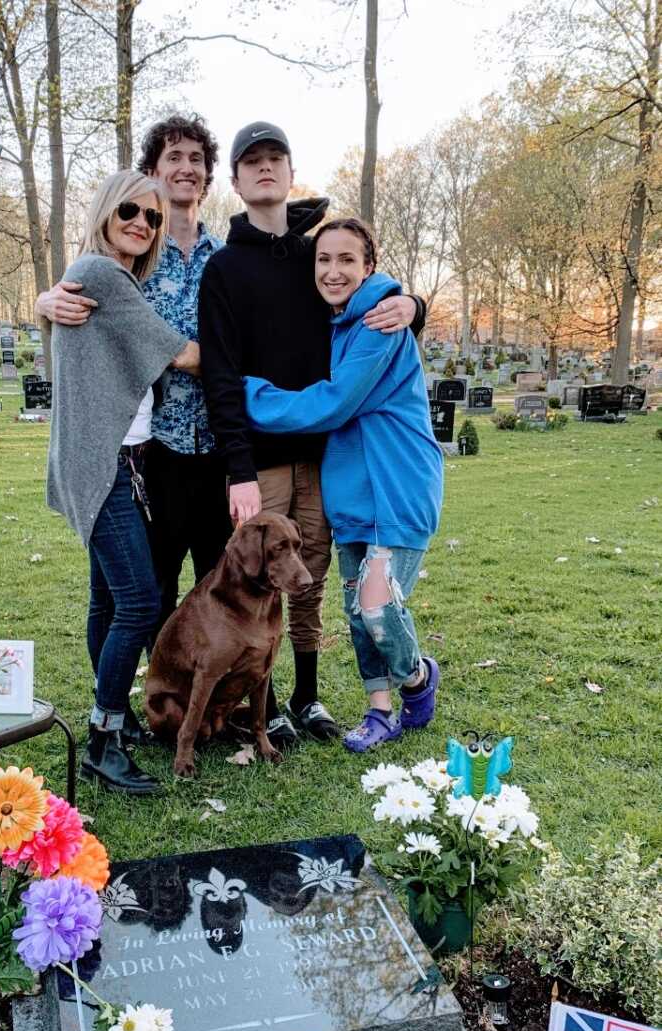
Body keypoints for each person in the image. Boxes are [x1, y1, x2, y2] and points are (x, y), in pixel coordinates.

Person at [198, 121, 426, 747]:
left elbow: (367, 298)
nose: (265, 169)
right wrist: (239, 467)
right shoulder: (223, 269)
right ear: (238, 180)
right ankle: (260, 704)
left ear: (291, 173)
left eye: (276, 159)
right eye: (252, 162)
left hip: (322, 458)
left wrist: (415, 306)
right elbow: (221, 374)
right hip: (262, 460)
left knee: (309, 579)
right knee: (257, 576)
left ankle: (307, 694)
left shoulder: (314, 256)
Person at [244, 217, 443, 751]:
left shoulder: (379, 322)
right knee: (357, 612)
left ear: (369, 267)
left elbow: (333, 403)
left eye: (346, 260)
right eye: (323, 260)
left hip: (398, 490)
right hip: (351, 497)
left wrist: (245, 394)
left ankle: (418, 678)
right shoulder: (337, 322)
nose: (333, 271)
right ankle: (379, 711)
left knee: (377, 605)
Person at [37, 115, 231, 633]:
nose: (186, 168)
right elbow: (83, 301)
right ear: (152, 171)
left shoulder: (226, 259)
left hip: (217, 447)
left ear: (208, 177)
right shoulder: (133, 251)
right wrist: (45, 301)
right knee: (147, 592)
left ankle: (221, 704)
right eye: (174, 157)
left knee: (222, 586)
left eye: (197, 159)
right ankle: (154, 703)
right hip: (152, 450)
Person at [45, 168, 199, 795]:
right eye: (131, 211)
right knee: (138, 601)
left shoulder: (99, 276)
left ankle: (116, 721)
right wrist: (251, 356)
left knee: (107, 601)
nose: (142, 223)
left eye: (153, 218)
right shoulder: (105, 273)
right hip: (105, 463)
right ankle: (105, 737)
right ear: (107, 210)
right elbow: (181, 354)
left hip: (112, 459)